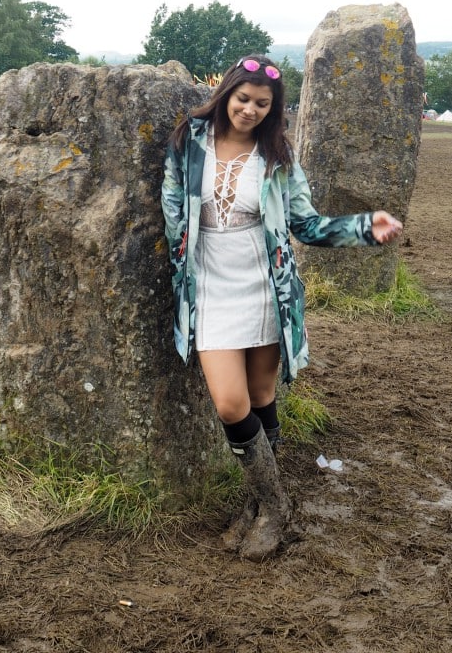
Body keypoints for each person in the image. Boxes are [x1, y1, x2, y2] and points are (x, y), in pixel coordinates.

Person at [161, 54, 403, 561]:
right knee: (230, 403)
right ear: (227, 93)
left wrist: (363, 227)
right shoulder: (189, 143)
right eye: (243, 98)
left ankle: (259, 509)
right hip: (209, 288)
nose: (249, 109)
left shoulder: (278, 160)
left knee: (261, 395)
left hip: (266, 288)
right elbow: (173, 211)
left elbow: (307, 226)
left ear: (274, 110)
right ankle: (276, 503)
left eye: (261, 104)